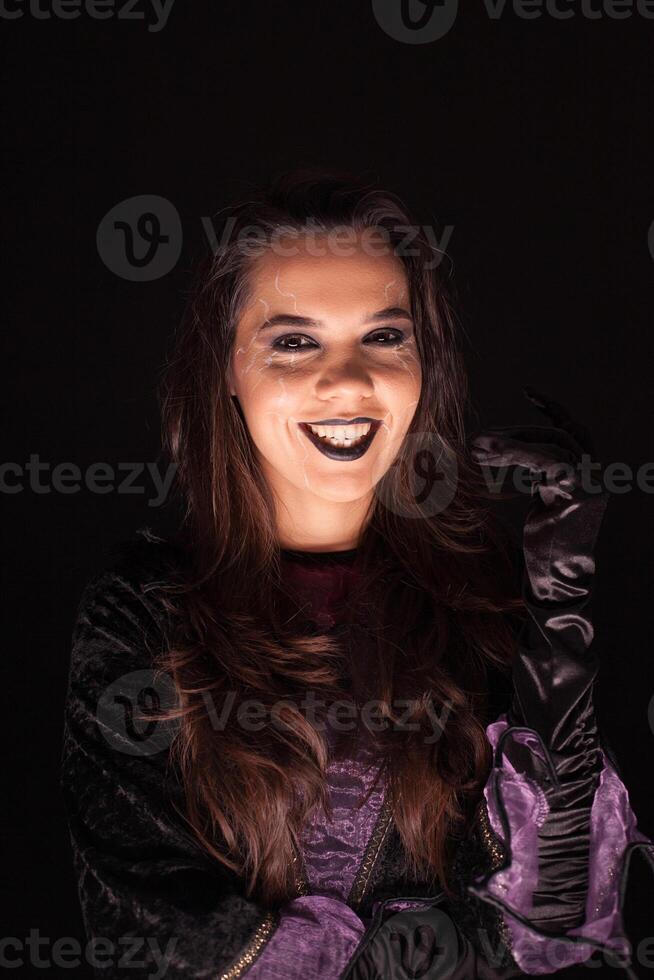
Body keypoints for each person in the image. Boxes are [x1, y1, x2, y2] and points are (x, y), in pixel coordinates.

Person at [60, 170, 653, 979]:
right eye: (294, 341)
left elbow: (557, 923)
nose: (349, 383)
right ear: (227, 367)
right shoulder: (142, 615)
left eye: (384, 336)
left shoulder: (488, 596)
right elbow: (151, 935)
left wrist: (563, 631)